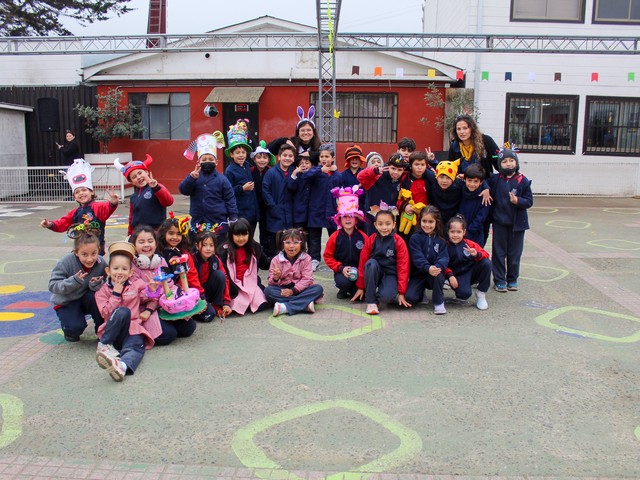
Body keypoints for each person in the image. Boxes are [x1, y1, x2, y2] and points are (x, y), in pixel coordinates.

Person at [94, 241, 161, 382]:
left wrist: (152, 290)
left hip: (133, 329)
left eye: (124, 269)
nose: (120, 272)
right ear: (108, 271)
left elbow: (147, 297)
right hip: (113, 333)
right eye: (115, 268)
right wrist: (115, 295)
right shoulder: (102, 292)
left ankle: (122, 367)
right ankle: (104, 346)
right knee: (123, 311)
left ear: (131, 272)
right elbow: (106, 314)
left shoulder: (136, 285)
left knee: (137, 347)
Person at [129, 225, 196, 345]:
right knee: (168, 335)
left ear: (155, 244)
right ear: (134, 245)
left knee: (188, 328)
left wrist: (180, 301)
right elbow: (134, 296)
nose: (146, 245)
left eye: (150, 241)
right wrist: (151, 292)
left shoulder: (160, 260)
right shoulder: (131, 266)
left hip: (164, 304)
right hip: (145, 309)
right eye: (141, 242)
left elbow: (170, 285)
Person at [41, 158, 119, 255]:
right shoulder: (75, 212)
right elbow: (62, 223)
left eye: (84, 190)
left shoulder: (97, 207)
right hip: (80, 251)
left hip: (96, 251)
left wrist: (113, 203)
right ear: (74, 197)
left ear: (92, 192)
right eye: (77, 192)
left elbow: (107, 209)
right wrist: (49, 224)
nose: (81, 193)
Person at [486, 145, 533, 292]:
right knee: (499, 253)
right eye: (504, 161)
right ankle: (499, 280)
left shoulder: (523, 180)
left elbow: (529, 201)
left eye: (511, 160)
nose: (508, 164)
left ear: (516, 162)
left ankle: (512, 279)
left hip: (517, 224)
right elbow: (484, 182)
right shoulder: (495, 179)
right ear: (499, 164)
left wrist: (517, 201)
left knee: (514, 254)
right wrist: (486, 189)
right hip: (499, 222)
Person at [48, 225, 106, 342]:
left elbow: (107, 284)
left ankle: (102, 330)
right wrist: (73, 281)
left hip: (85, 298)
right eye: (84, 254)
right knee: (74, 330)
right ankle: (69, 328)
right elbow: (53, 285)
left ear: (98, 250)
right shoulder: (66, 262)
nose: (90, 259)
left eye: (94, 253)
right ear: (76, 252)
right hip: (67, 301)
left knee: (96, 297)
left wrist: (98, 284)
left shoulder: (101, 263)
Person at [351, 208, 412, 315]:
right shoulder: (371, 240)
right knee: (370, 263)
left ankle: (382, 293)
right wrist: (360, 287)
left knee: (387, 297)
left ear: (394, 224)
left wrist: (401, 292)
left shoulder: (399, 242)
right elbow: (362, 263)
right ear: (375, 225)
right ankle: (371, 302)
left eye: (388, 224)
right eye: (380, 224)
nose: (384, 227)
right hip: (374, 271)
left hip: (390, 274)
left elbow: (403, 267)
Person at [180, 133, 238, 239]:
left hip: (218, 223)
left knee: (219, 247)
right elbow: (183, 190)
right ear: (198, 162)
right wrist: (191, 178)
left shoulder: (222, 179)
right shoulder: (194, 177)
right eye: (204, 159)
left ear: (216, 162)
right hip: (198, 222)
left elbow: (230, 198)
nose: (207, 161)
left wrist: (233, 216)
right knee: (196, 246)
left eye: (211, 159)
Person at [217, 218, 270, 315]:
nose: (241, 238)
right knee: (237, 306)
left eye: (244, 234)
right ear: (231, 235)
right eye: (237, 235)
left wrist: (278, 260)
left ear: (250, 234)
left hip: (251, 283)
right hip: (234, 286)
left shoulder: (255, 247)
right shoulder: (224, 250)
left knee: (261, 305)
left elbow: (265, 263)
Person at [266, 229, 324, 316]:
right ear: (282, 244)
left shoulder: (306, 258)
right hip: (283, 290)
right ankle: (304, 304)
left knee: (318, 289)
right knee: (268, 291)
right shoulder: (276, 260)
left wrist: (293, 291)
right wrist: (275, 278)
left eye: (296, 242)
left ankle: (285, 307)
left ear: (301, 244)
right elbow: (271, 283)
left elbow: (307, 279)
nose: (291, 246)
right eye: (287, 242)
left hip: (301, 290)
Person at [301, 143, 340, 271]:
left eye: (327, 156)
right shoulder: (315, 172)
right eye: (322, 156)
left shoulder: (337, 175)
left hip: (331, 210)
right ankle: (314, 259)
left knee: (334, 237)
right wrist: (319, 170)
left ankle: (335, 258)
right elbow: (305, 177)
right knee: (314, 238)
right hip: (315, 209)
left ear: (333, 158)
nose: (324, 159)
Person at [323, 186, 367, 299]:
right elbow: (328, 256)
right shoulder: (334, 237)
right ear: (340, 220)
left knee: (359, 297)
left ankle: (354, 289)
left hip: (359, 271)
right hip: (342, 270)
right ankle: (343, 288)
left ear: (356, 220)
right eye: (345, 217)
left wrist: (361, 271)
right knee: (343, 283)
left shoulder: (363, 236)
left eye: (351, 217)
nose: (348, 219)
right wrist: (340, 268)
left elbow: (369, 255)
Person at [114, 154, 174, 236]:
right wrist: (130, 234)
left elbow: (169, 201)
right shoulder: (133, 197)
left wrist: (156, 187)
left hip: (156, 233)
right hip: (138, 233)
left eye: (140, 173)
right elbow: (131, 218)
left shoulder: (157, 188)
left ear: (146, 172)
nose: (138, 177)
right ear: (131, 182)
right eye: (134, 177)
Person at [405, 206, 449, 313]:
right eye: (424, 221)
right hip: (418, 274)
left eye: (431, 222)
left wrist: (436, 267)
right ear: (420, 221)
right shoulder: (415, 238)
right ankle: (421, 293)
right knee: (410, 298)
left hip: (434, 274)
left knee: (439, 274)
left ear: (436, 222)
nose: (427, 225)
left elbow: (444, 257)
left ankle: (438, 302)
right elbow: (417, 257)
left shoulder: (441, 240)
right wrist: (427, 267)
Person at [444, 214, 492, 311]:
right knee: (464, 294)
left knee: (487, 263)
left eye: (459, 232)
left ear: (464, 232)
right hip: (457, 275)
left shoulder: (469, 244)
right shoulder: (445, 246)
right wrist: (450, 275)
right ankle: (460, 286)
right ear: (448, 232)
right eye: (452, 232)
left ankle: (481, 294)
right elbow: (442, 264)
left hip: (472, 272)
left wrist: (476, 254)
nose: (455, 235)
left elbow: (486, 255)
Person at [357, 153, 407, 234]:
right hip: (373, 222)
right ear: (387, 167)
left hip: (390, 223)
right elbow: (360, 176)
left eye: (399, 170)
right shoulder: (376, 177)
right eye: (393, 168)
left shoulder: (403, 180)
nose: (396, 172)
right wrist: (375, 170)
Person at [262, 143, 296, 257]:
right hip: (274, 214)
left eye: (290, 156)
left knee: (289, 242)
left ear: (294, 158)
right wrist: (273, 207)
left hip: (290, 213)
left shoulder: (294, 172)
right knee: (275, 245)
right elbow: (266, 192)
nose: (287, 158)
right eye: (284, 155)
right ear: (279, 157)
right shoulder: (271, 173)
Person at [191, 230, 232, 319]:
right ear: (197, 246)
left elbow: (225, 279)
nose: (208, 248)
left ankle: (216, 304)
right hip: (196, 294)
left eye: (211, 245)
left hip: (208, 290)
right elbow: (192, 282)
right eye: (204, 245)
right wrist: (201, 298)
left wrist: (226, 302)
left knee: (220, 275)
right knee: (209, 316)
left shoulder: (215, 259)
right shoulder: (192, 260)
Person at [224, 121, 258, 228]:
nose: (241, 155)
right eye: (237, 153)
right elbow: (228, 192)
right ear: (231, 154)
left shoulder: (247, 165)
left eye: (243, 152)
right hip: (240, 212)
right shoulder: (229, 171)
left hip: (252, 210)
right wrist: (242, 188)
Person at [250, 140, 275, 249]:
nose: (262, 160)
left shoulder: (271, 172)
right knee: (250, 231)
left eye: (265, 158)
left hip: (266, 207)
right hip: (253, 205)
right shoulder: (250, 171)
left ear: (269, 160)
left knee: (265, 232)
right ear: (254, 159)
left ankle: (265, 253)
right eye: (259, 157)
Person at [458, 163, 491, 246]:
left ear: (481, 182)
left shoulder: (485, 196)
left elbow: (481, 217)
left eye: (476, 181)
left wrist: (468, 231)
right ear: (465, 180)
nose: (472, 184)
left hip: (475, 234)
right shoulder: (460, 189)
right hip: (458, 231)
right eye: (469, 180)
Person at [287, 151, 314, 230]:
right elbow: (291, 187)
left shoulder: (314, 176)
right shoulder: (297, 176)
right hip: (298, 213)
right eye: (301, 163)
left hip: (311, 213)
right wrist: (295, 173)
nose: (304, 165)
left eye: (307, 163)